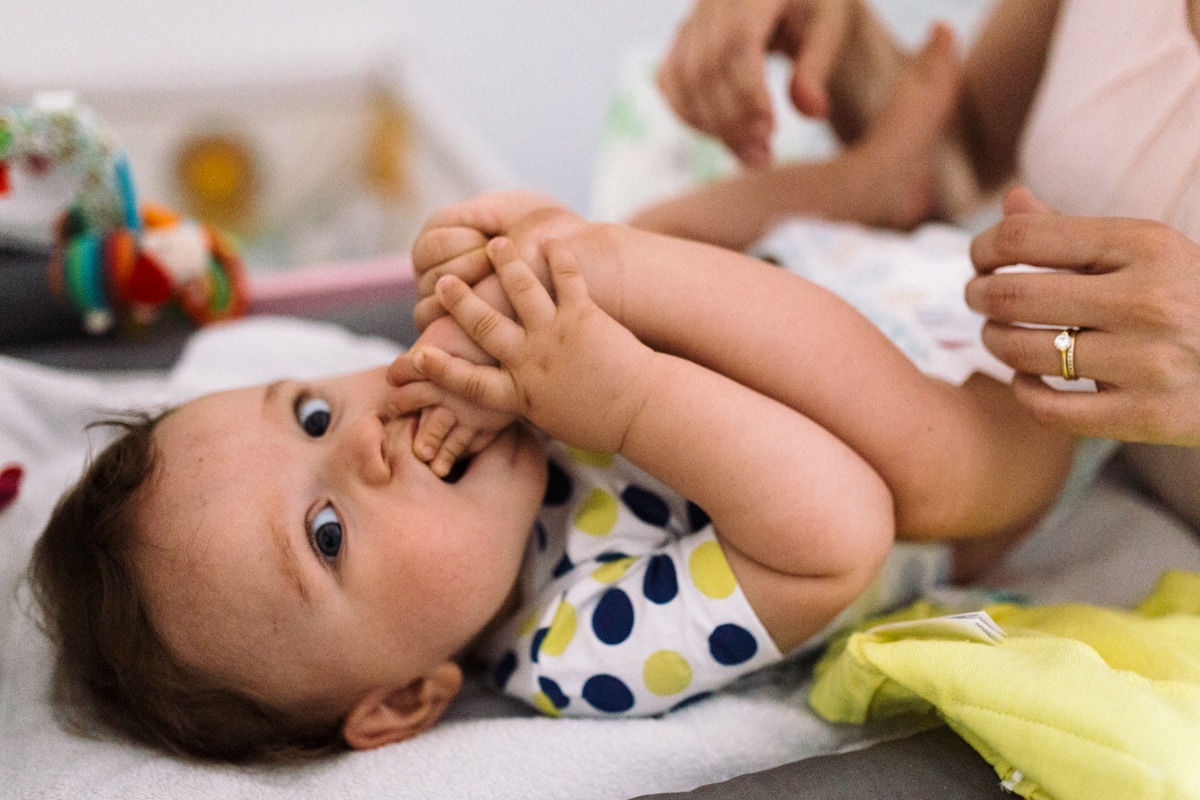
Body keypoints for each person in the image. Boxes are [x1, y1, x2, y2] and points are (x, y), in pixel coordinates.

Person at [29, 184, 1075, 764]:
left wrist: (509, 263)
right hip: (978, 412)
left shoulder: (485, 410)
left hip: (839, 272)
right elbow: (843, 523)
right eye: (329, 534)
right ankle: (1007, 266)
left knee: (627, 229)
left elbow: (709, 295)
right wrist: (615, 388)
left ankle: (883, 159)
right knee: (931, 473)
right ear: (401, 699)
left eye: (311, 411)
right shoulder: (575, 649)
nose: (363, 438)